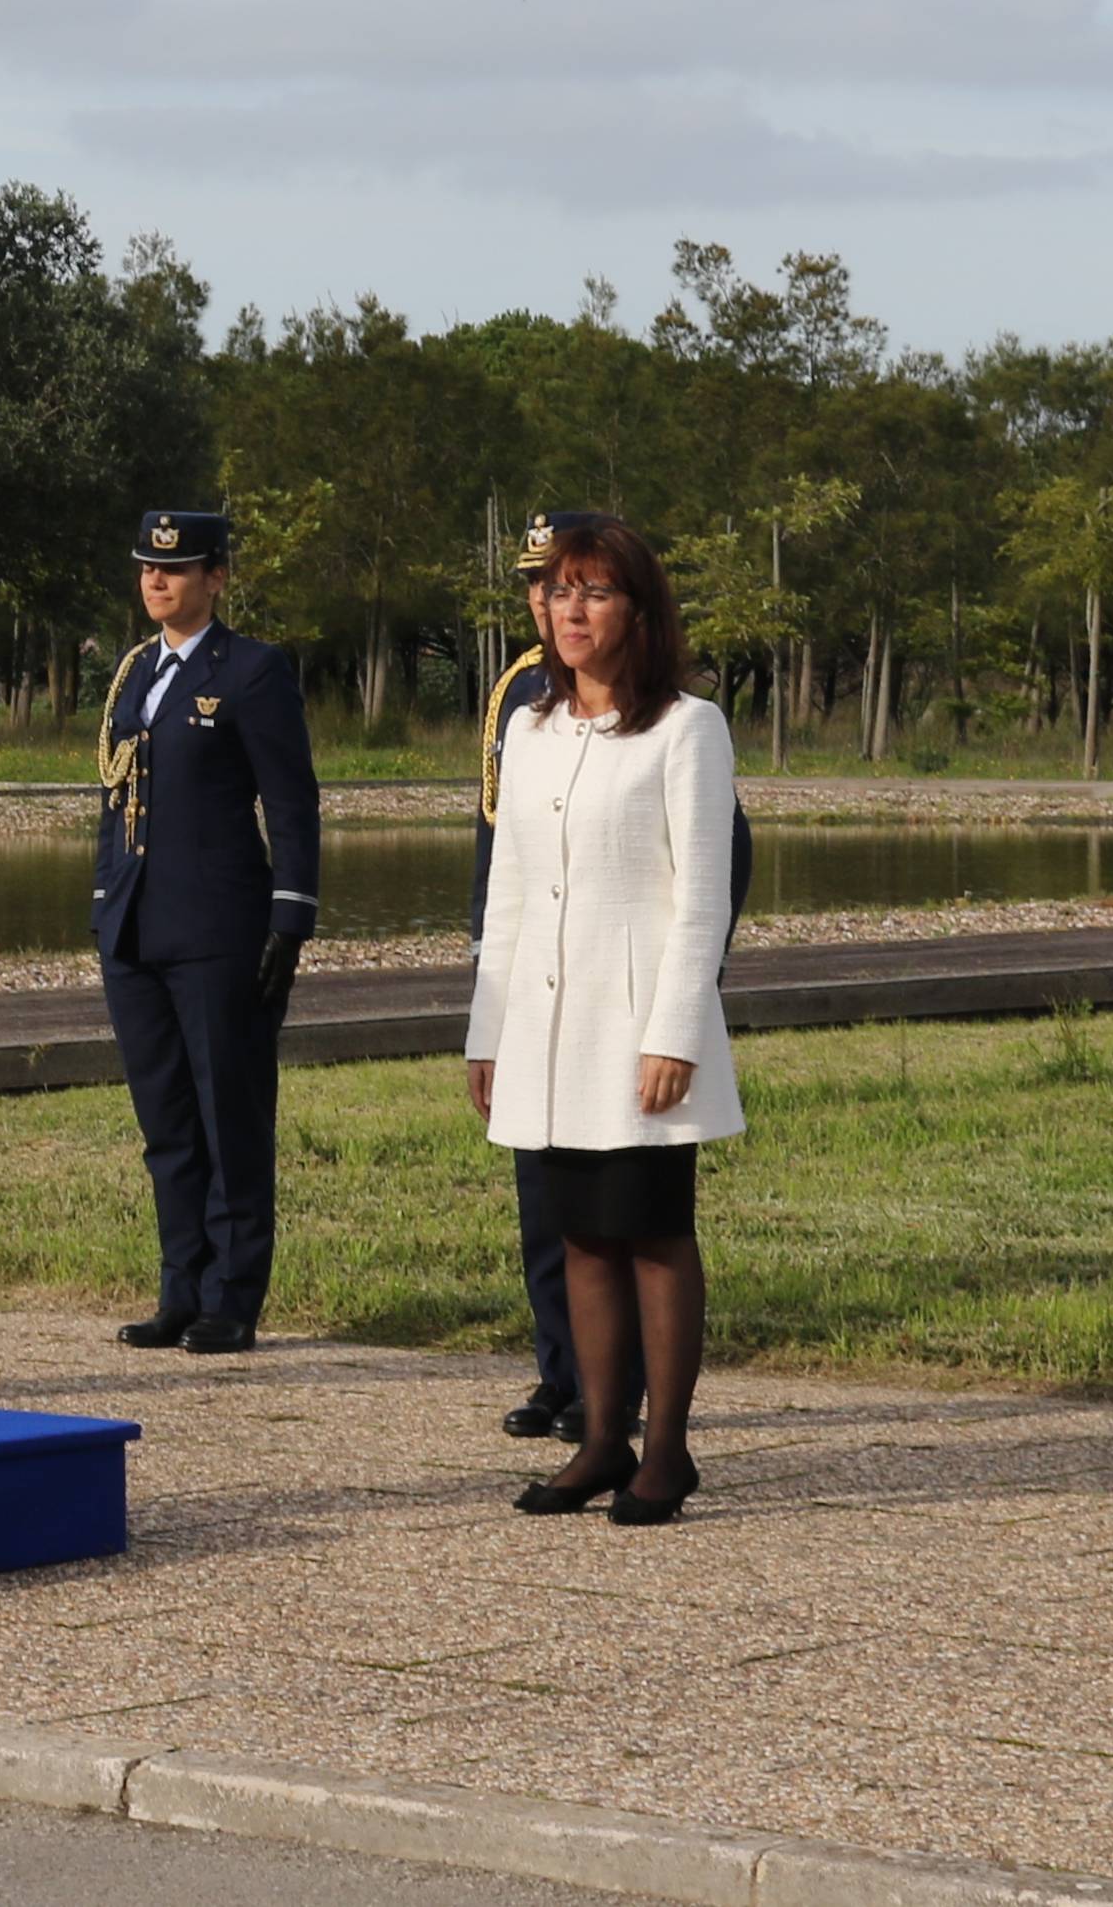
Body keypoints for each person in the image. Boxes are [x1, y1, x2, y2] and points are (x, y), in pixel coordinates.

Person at [463, 511, 738, 1527]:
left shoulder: (684, 728)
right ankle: (598, 1440)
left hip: (636, 1023)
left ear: (637, 608)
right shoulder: (529, 729)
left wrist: (672, 1031)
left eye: (593, 590)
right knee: (579, 1236)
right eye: (557, 590)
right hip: (545, 1021)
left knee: (652, 1233)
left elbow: (699, 894)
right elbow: (504, 892)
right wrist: (484, 1033)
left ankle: (664, 1451)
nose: (569, 609)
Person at [91, 506, 321, 1355]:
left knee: (229, 1117)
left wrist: (290, 920)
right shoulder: (134, 675)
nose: (158, 581)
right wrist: (102, 897)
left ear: (216, 577)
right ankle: (179, 1288)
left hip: (221, 929)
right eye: (149, 568)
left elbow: (292, 804)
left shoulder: (252, 672)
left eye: (178, 569)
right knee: (167, 1126)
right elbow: (114, 798)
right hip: (135, 929)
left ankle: (232, 1294)